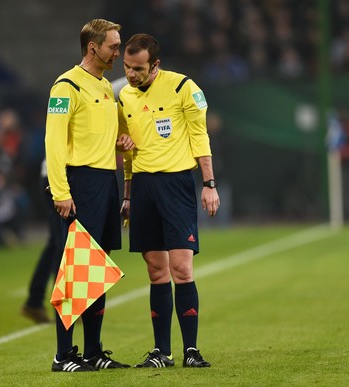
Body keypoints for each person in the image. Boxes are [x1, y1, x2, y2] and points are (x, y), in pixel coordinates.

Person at [118, 33, 220, 368]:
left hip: (177, 184)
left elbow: (199, 135)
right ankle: (162, 351)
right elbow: (128, 151)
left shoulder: (182, 87)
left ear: (155, 65)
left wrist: (208, 183)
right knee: (156, 271)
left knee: (181, 267)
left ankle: (191, 350)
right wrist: (129, 194)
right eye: (128, 67)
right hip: (144, 187)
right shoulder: (125, 97)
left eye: (139, 68)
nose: (132, 74)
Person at [44, 18, 134, 372]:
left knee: (96, 269)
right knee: (75, 270)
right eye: (113, 45)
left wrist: (120, 141)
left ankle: (94, 352)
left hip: (104, 182)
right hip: (78, 183)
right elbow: (54, 141)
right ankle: (63, 355)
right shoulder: (65, 86)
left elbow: (94, 135)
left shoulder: (102, 88)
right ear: (93, 47)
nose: (118, 51)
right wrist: (61, 191)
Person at [20, 160, 61, 324]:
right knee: (61, 244)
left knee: (55, 244)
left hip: (52, 174)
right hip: (58, 176)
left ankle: (34, 301)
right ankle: (62, 304)